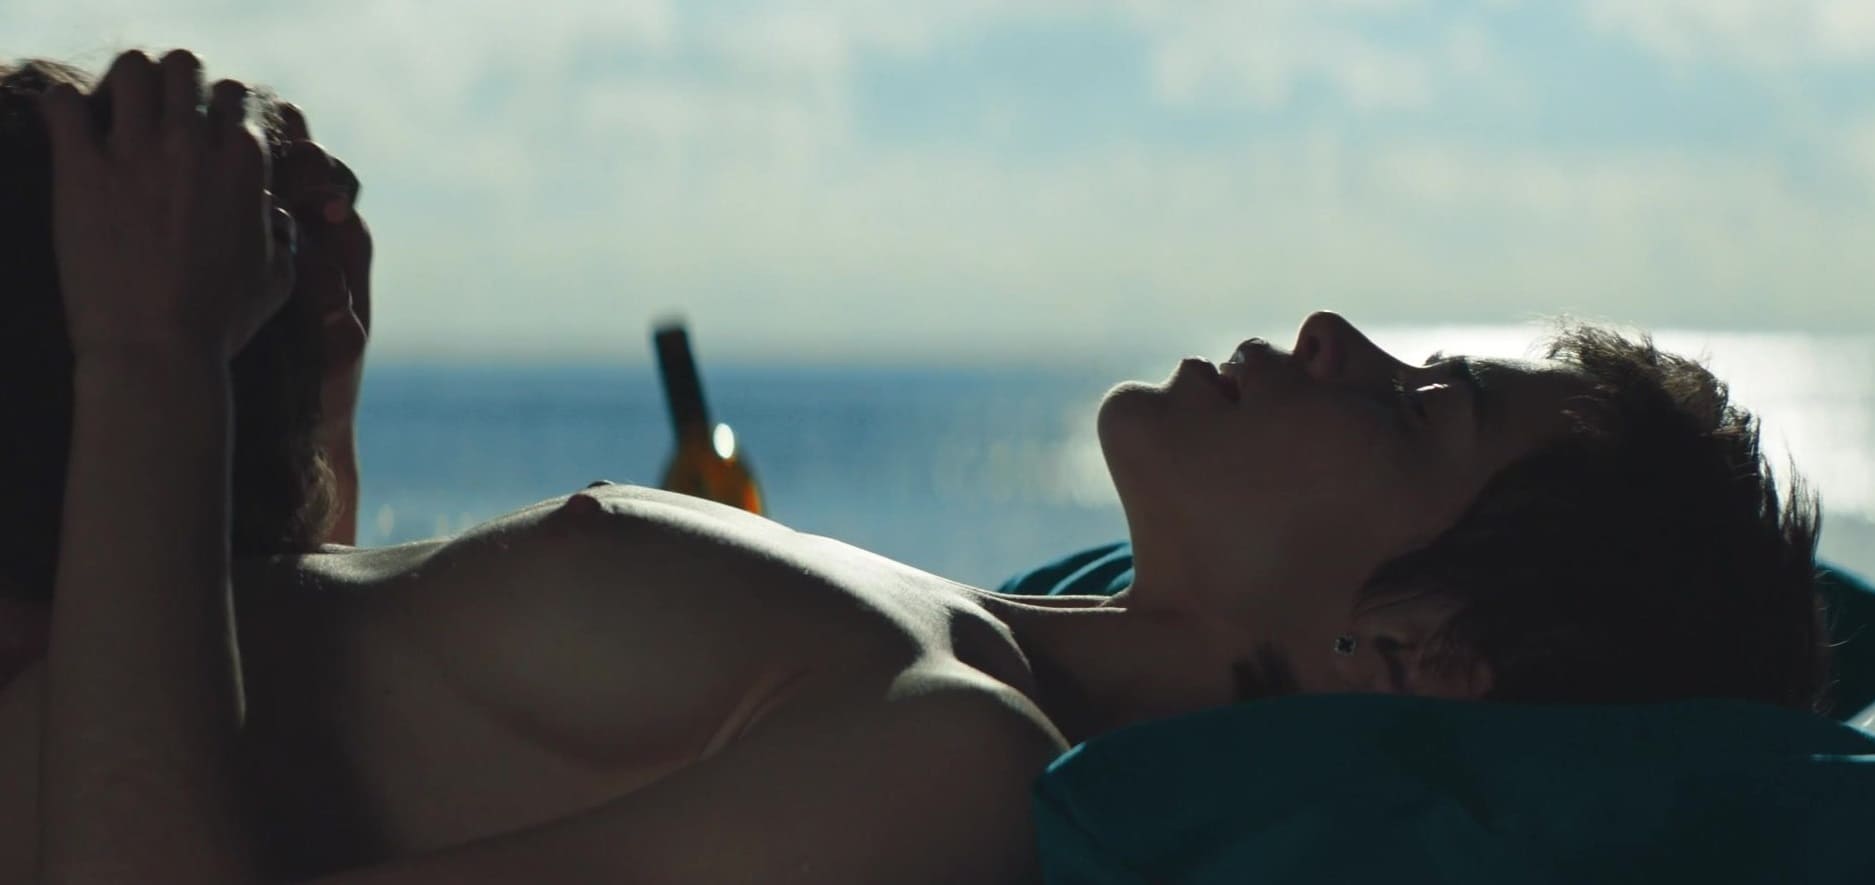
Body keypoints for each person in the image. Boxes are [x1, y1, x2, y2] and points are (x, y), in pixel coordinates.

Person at [0, 49, 1827, 883]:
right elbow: (344, 745)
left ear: (1428, 652)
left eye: (1421, 409)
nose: (1344, 333)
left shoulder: (947, 775)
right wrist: (312, 392)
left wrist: (150, 358)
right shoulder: (964, 642)